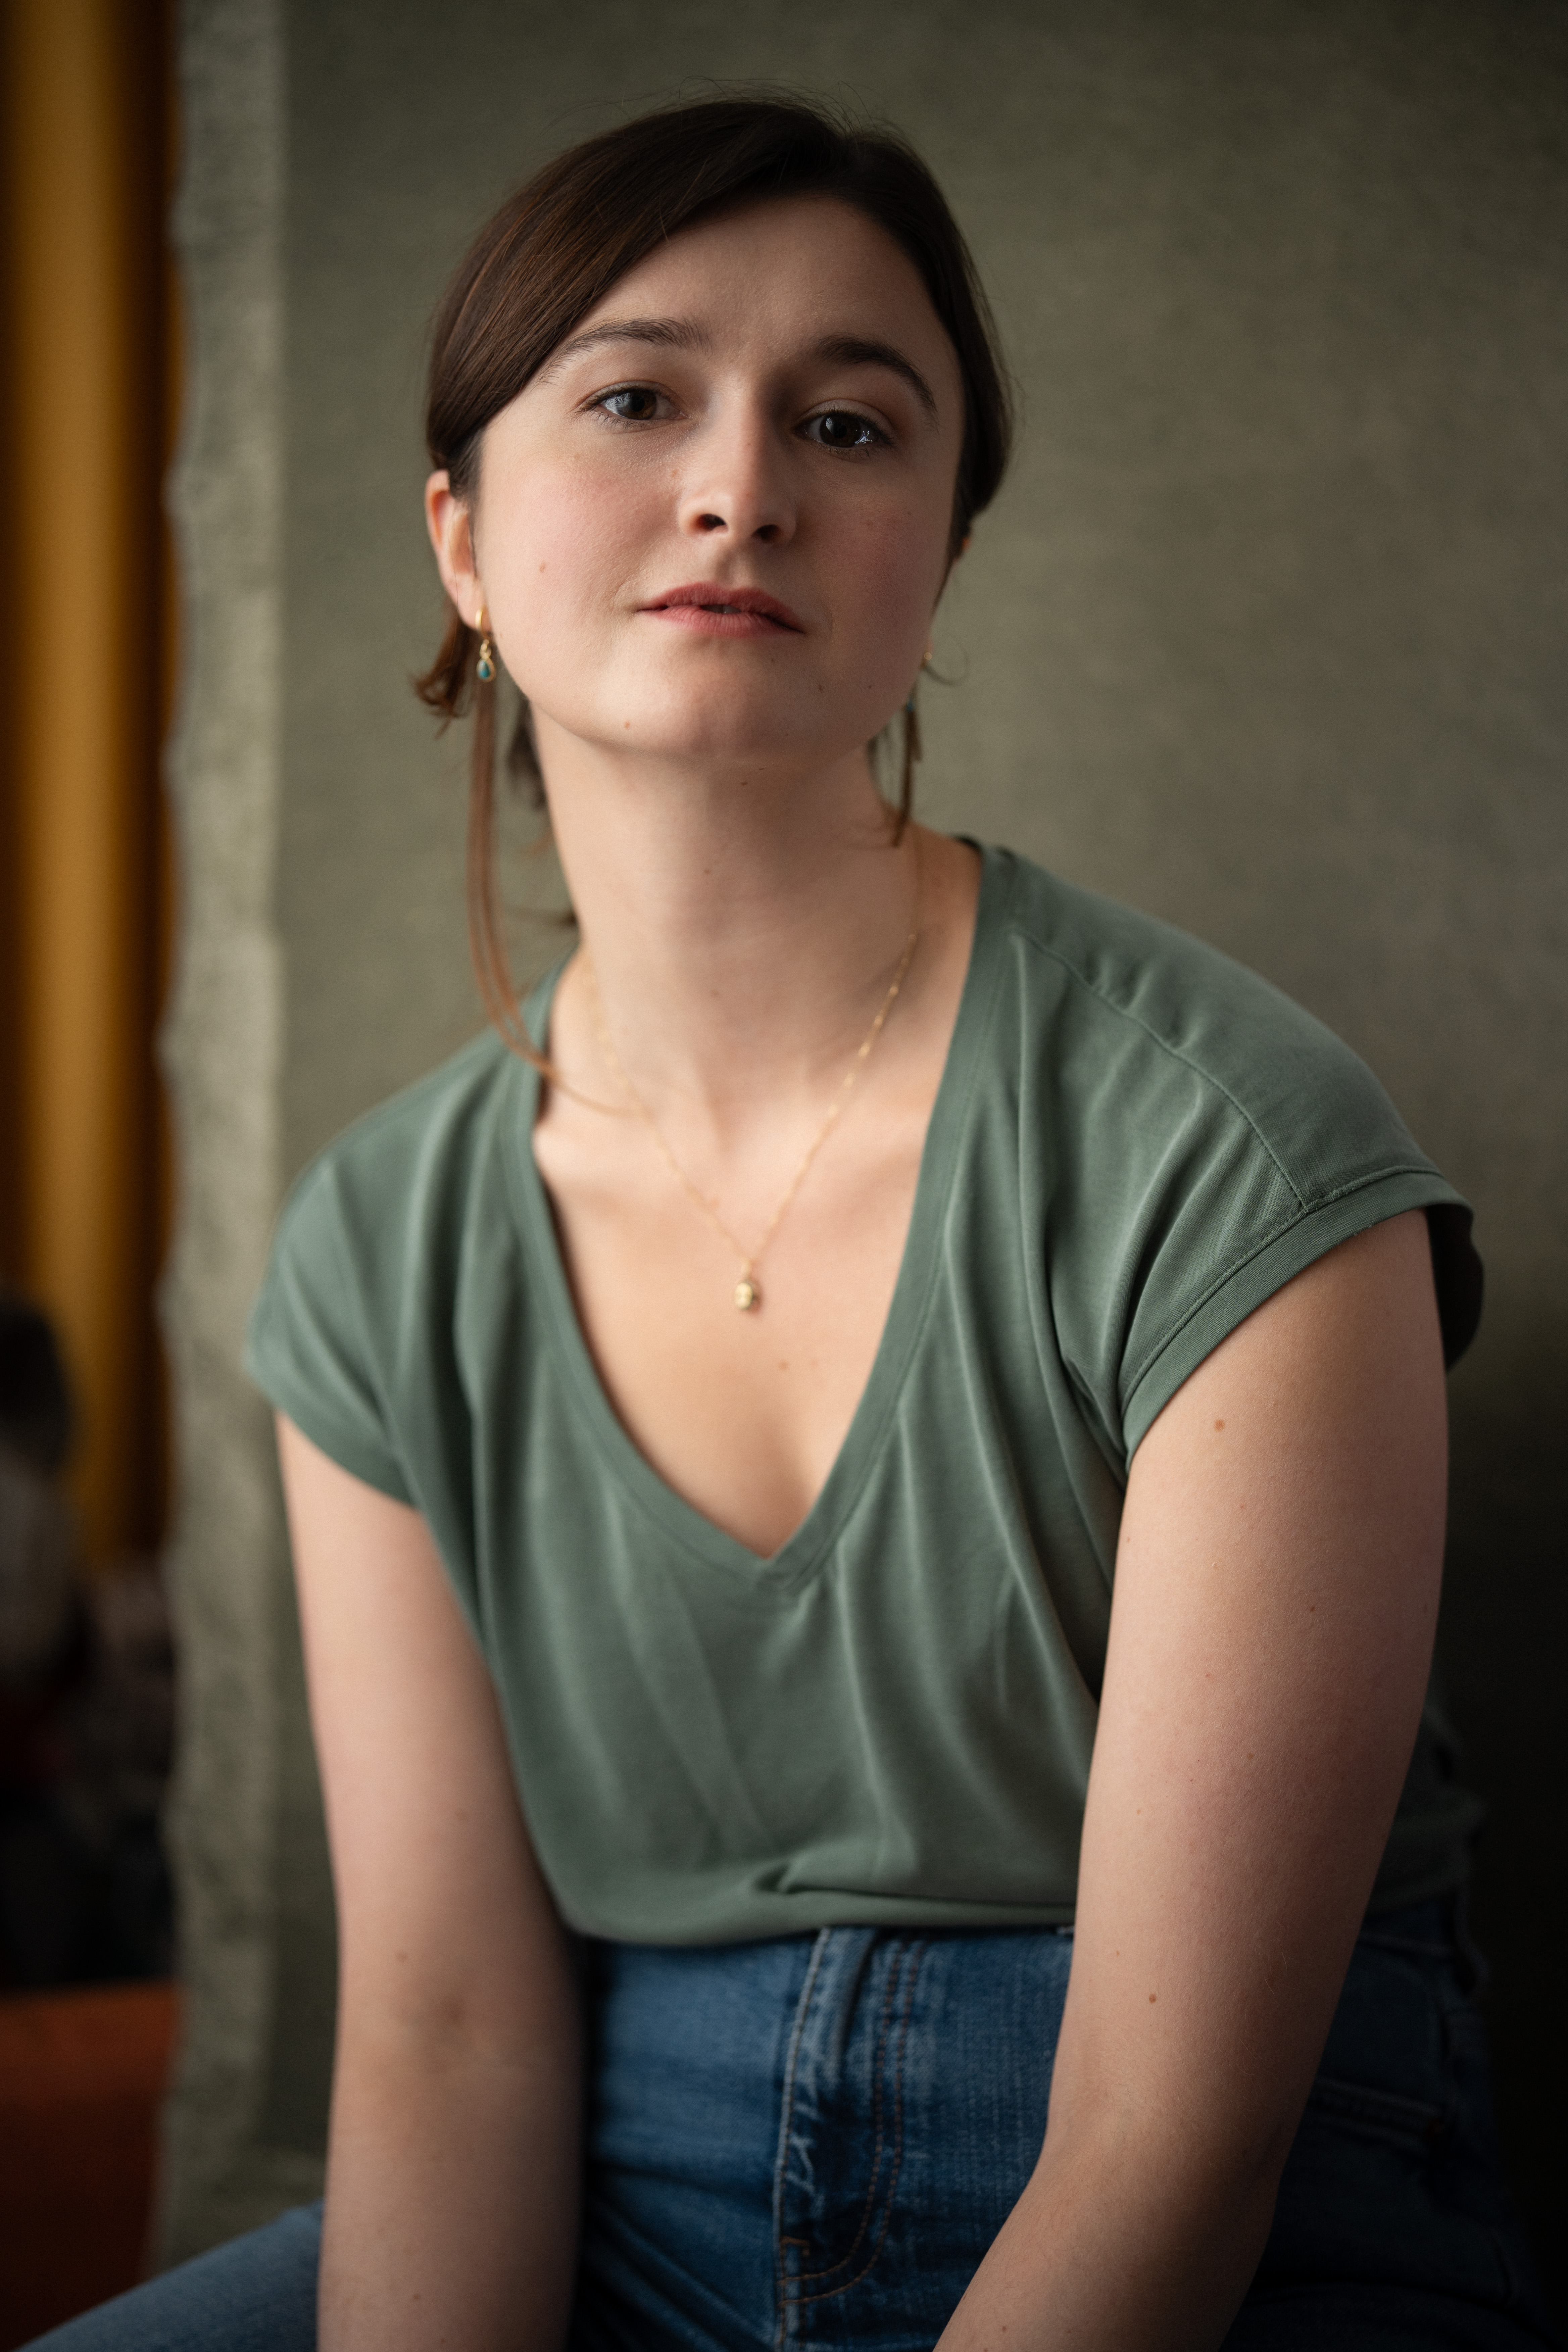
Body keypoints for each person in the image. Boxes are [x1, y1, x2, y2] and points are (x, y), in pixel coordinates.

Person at [32, 94, 1556, 2352]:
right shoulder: (375, 1256)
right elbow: (451, 2041)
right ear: (461, 539)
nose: (742, 485)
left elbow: (1171, 2137)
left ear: (940, 551)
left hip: (1228, 2231)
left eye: (849, 424)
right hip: (613, 2203)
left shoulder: (1232, 1148)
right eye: (636, 398)